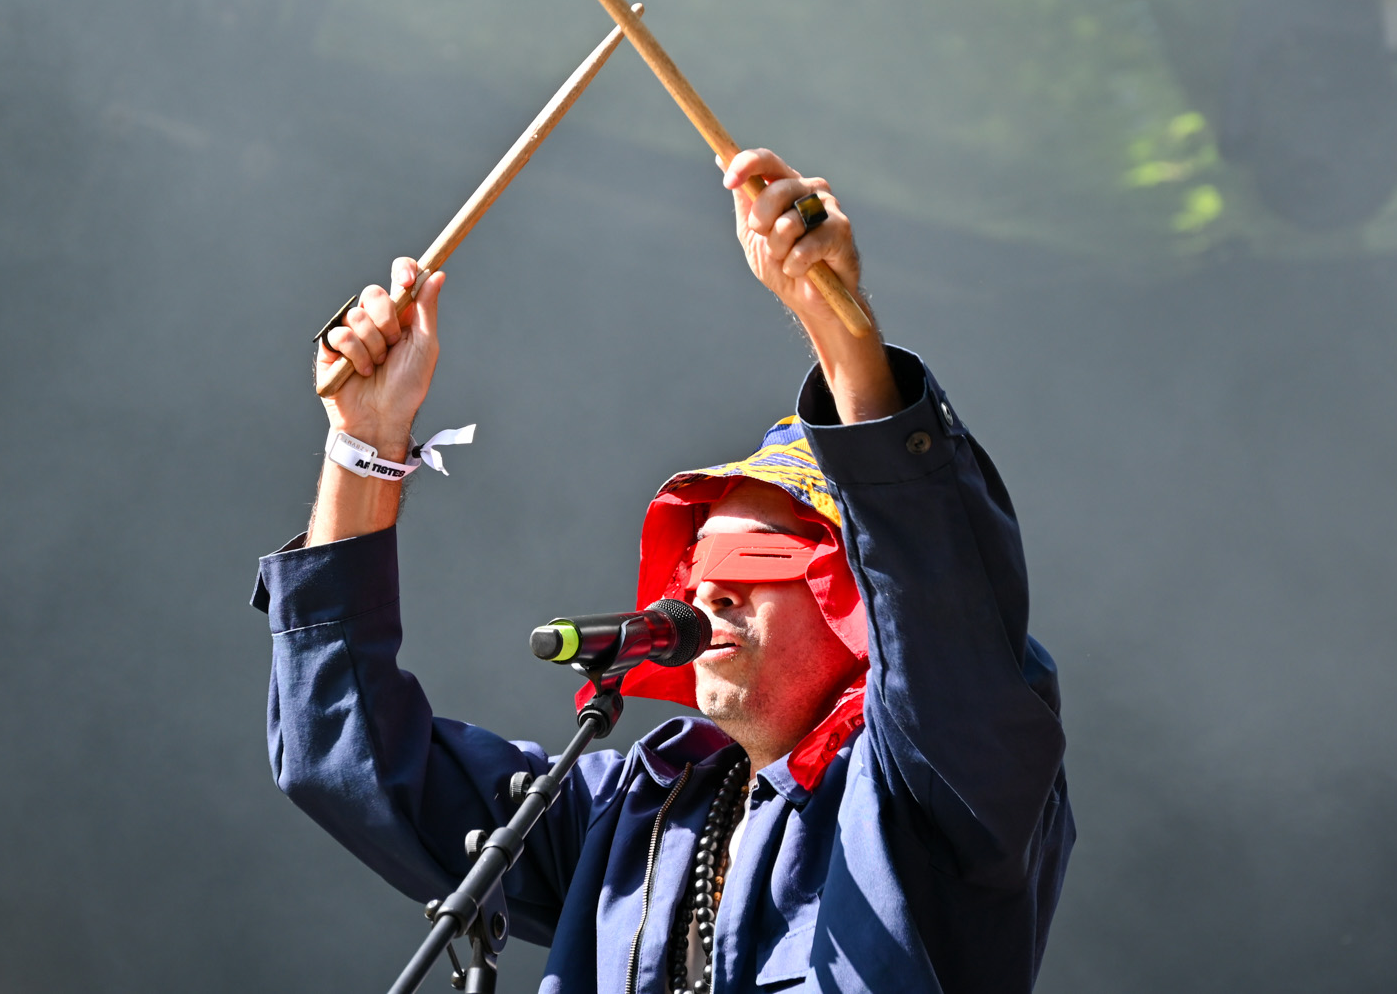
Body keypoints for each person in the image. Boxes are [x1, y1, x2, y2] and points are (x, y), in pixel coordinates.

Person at [253, 148, 1074, 993]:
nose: (711, 587)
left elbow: (940, 600)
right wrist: (364, 447)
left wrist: (839, 325)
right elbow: (347, 754)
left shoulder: (940, 779)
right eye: (701, 558)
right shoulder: (628, 812)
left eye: (764, 557)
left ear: (861, 603)